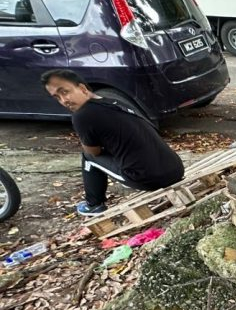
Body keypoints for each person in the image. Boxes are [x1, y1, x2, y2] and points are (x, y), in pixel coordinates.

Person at [41, 69, 184, 216]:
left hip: (148, 179)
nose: (63, 101)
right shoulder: (112, 100)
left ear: (83, 89)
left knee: (88, 158)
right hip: (176, 169)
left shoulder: (82, 115)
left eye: (65, 92)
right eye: (57, 97)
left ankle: (94, 205)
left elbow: (93, 152)